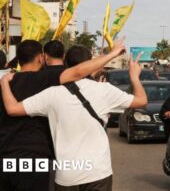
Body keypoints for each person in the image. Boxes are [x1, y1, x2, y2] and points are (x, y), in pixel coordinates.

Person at [0, 45, 147, 191]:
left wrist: (4, 83)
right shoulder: (104, 90)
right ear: (89, 62)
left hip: (67, 176)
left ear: (66, 63)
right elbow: (141, 100)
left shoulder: (52, 94)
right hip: (98, 171)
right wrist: (134, 76)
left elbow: (12, 109)